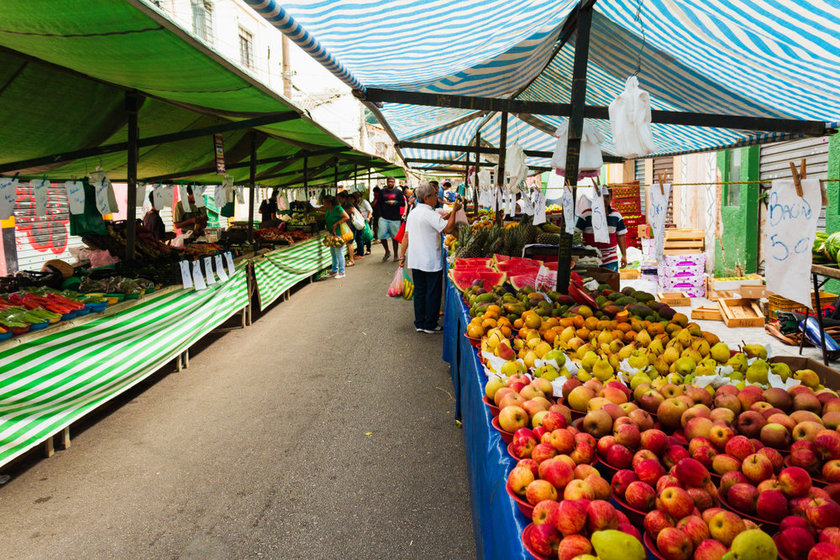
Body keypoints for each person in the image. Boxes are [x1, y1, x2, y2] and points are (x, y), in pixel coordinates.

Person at [398, 182, 462, 333]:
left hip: (416, 259)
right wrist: (454, 211)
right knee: (432, 292)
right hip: (430, 260)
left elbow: (406, 235)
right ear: (426, 198)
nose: (437, 198)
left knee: (420, 292)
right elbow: (448, 229)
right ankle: (430, 324)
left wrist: (402, 256)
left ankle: (420, 322)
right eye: (434, 195)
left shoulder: (414, 212)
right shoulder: (429, 213)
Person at [574, 189, 628, 271]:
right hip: (589, 259)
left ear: (611, 198)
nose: (604, 199)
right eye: (601, 196)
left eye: (607, 196)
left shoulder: (616, 215)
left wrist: (624, 255)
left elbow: (621, 236)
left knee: (611, 283)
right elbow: (576, 235)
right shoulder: (586, 214)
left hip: (610, 259)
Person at [376, 177, 405, 261]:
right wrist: (379, 215)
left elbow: (403, 203)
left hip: (395, 218)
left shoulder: (398, 192)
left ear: (394, 183)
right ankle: (387, 251)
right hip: (383, 218)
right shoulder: (382, 192)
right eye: (389, 181)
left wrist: (395, 202)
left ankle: (396, 255)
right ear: (387, 182)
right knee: (381, 236)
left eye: (392, 182)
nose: (391, 183)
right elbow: (379, 204)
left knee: (394, 238)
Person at [323, 195, 349, 279]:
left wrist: (337, 223)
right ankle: (334, 270)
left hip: (338, 233)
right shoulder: (328, 210)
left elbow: (346, 217)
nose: (323, 204)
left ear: (329, 203)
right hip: (332, 234)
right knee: (333, 253)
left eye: (324, 203)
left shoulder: (337, 208)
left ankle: (342, 272)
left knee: (339, 253)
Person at [338, 192, 358, 265]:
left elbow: (352, 211)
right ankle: (350, 259)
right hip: (347, 225)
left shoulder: (348, 203)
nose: (339, 200)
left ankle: (351, 260)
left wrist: (343, 212)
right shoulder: (343, 204)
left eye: (340, 198)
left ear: (343, 198)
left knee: (350, 243)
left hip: (350, 225)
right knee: (348, 243)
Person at [353, 192, 373, 256]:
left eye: (357, 197)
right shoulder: (355, 203)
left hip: (366, 220)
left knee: (367, 234)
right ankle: (360, 249)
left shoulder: (364, 202)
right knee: (361, 235)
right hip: (359, 221)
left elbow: (370, 210)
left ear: (360, 197)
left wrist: (368, 218)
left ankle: (368, 249)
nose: (356, 199)